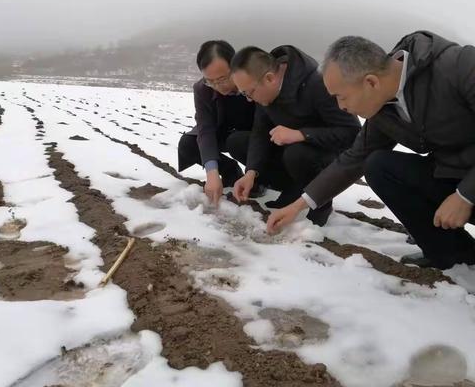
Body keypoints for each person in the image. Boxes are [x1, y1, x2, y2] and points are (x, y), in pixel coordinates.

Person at [267, 31, 475, 269]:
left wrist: (464, 195)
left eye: (341, 97)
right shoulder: (383, 107)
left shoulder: (460, 66)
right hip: (453, 176)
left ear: (371, 82)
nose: (340, 106)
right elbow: (354, 158)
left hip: (467, 186)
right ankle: (454, 255)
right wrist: (297, 206)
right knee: (379, 165)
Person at [229, 45, 361, 226]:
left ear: (269, 78)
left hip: (325, 156)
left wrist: (302, 134)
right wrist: (251, 172)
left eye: (249, 93)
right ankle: (293, 191)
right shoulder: (263, 92)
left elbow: (352, 133)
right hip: (290, 152)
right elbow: (260, 132)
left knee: (297, 153)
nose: (249, 99)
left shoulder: (317, 83)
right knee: (237, 142)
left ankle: (320, 205)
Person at [178, 40, 255, 205]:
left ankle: (259, 178)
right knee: (188, 143)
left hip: (251, 136)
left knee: (238, 141)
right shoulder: (202, 89)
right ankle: (230, 170)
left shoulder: (253, 82)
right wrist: (211, 173)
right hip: (223, 132)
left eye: (222, 79)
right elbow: (205, 128)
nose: (218, 86)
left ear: (235, 66)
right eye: (210, 81)